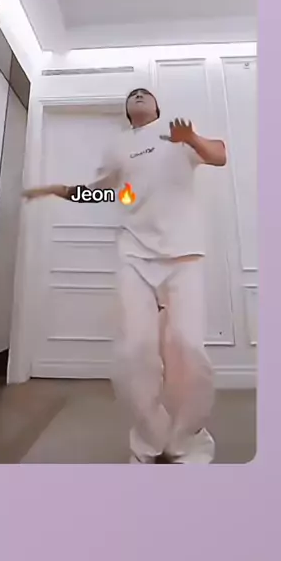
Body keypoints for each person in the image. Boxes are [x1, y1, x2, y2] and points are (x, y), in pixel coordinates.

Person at [23, 87, 227, 463]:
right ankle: (150, 441)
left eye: (145, 93)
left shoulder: (176, 133)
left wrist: (192, 138)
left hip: (184, 254)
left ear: (157, 106)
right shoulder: (118, 146)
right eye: (133, 95)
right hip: (134, 254)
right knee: (135, 351)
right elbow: (101, 193)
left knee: (187, 347)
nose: (138, 95)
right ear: (128, 111)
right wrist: (56, 189)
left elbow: (220, 155)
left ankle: (186, 441)